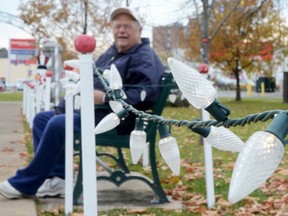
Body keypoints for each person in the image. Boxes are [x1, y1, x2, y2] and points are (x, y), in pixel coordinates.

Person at [0, 7, 164, 199]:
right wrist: (62, 107)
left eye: (127, 27)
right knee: (43, 119)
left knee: (58, 124)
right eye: (117, 26)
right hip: (97, 114)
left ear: (138, 30)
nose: (121, 31)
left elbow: (145, 94)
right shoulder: (112, 53)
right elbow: (86, 82)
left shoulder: (144, 57)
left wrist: (104, 98)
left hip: (121, 121)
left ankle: (25, 183)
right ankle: (58, 180)